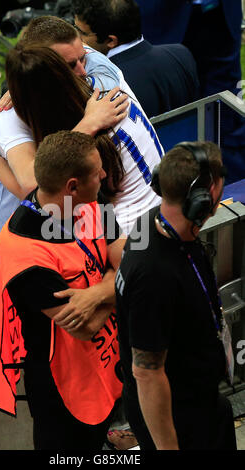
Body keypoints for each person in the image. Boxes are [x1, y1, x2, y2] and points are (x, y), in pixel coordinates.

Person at [0, 15, 162, 268]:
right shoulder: (11, 118)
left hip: (79, 232)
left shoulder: (86, 79)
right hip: (2, 236)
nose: (83, 70)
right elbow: (33, 186)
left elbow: (49, 197)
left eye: (82, 58)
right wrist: (89, 124)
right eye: (71, 65)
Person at [0, 130, 126, 450]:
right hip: (64, 392)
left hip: (107, 366)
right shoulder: (25, 254)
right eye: (96, 171)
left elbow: (127, 261)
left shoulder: (90, 199)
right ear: (72, 185)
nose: (102, 175)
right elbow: (84, 327)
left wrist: (96, 295)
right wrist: (117, 284)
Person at [115, 140, 237, 450]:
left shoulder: (157, 222)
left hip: (203, 403)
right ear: (204, 196)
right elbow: (146, 373)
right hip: (180, 423)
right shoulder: (154, 275)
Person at [134, 0, 245, 184]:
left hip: (221, 14)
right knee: (168, 114)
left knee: (226, 109)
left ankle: (232, 190)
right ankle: (177, 189)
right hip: (161, 20)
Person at [72, 0, 200, 118]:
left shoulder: (107, 84)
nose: (75, 36)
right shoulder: (181, 53)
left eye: (81, 32)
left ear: (111, 40)